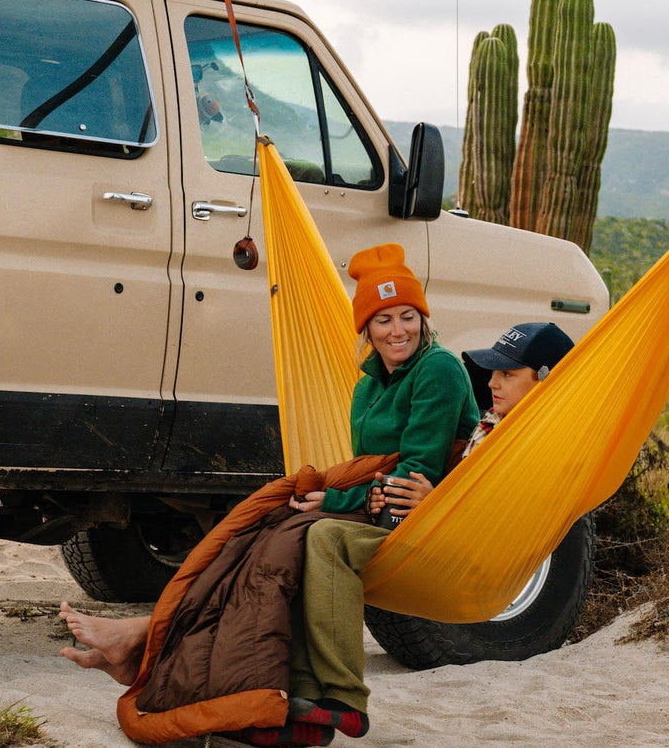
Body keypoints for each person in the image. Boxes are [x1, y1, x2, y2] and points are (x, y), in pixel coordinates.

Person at [60, 243, 480, 745]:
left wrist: (336, 501)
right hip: (377, 506)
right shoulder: (368, 386)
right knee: (261, 543)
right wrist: (339, 495)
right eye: (384, 319)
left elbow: (412, 475)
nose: (398, 330)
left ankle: (339, 699)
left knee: (316, 538)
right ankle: (277, 697)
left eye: (408, 316)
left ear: (423, 319)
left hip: (428, 517)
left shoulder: (438, 369)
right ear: (365, 328)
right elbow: (369, 473)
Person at [282, 320, 574, 742]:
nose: (492, 382)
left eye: (508, 374)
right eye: (493, 371)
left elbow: (513, 509)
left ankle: (343, 699)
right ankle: (311, 697)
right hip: (433, 526)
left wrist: (436, 503)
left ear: (545, 380)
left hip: (461, 546)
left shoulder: (536, 438)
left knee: (327, 540)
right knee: (313, 535)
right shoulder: (495, 422)